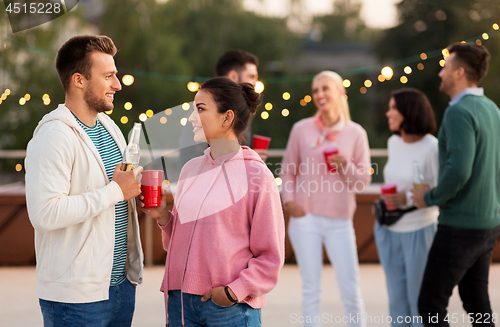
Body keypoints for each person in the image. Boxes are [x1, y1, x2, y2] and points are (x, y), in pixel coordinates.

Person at [140, 77, 285, 326]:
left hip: (229, 307)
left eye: (200, 109)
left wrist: (232, 292)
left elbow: (271, 256)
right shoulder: (190, 170)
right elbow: (188, 240)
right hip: (180, 301)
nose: (192, 118)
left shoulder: (257, 175)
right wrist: (163, 216)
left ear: (226, 117)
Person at [25, 35, 144, 327]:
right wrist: (116, 191)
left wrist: (130, 192)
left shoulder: (110, 127)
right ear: (79, 80)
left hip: (119, 287)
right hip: (75, 299)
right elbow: (44, 213)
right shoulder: (54, 135)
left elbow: (112, 194)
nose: (117, 84)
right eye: (109, 76)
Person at [413, 43, 500, 327]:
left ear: (459, 72)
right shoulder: (492, 109)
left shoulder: (458, 112)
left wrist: (430, 197)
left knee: (430, 304)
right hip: (488, 223)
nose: (440, 73)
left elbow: (459, 170)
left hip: (460, 226)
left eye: (445, 67)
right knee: (476, 300)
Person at [280, 70, 371, 327]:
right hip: (305, 219)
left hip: (340, 221)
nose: (319, 94)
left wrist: (344, 165)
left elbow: (362, 183)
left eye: (325, 89)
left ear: (340, 93)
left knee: (351, 290)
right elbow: (287, 170)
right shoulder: (301, 129)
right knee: (311, 289)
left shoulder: (356, 133)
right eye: (315, 90)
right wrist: (290, 201)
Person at [375, 88, 439, 327]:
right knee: (397, 303)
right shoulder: (393, 142)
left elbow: (440, 191)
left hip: (420, 231)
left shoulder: (432, 147)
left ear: (408, 111)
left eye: (393, 108)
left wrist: (408, 200)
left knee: (420, 302)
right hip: (388, 230)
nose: (387, 112)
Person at [178, 49, 266, 167]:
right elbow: (188, 160)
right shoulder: (200, 114)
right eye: (251, 76)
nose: (255, 83)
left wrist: (252, 159)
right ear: (233, 76)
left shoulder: (242, 112)